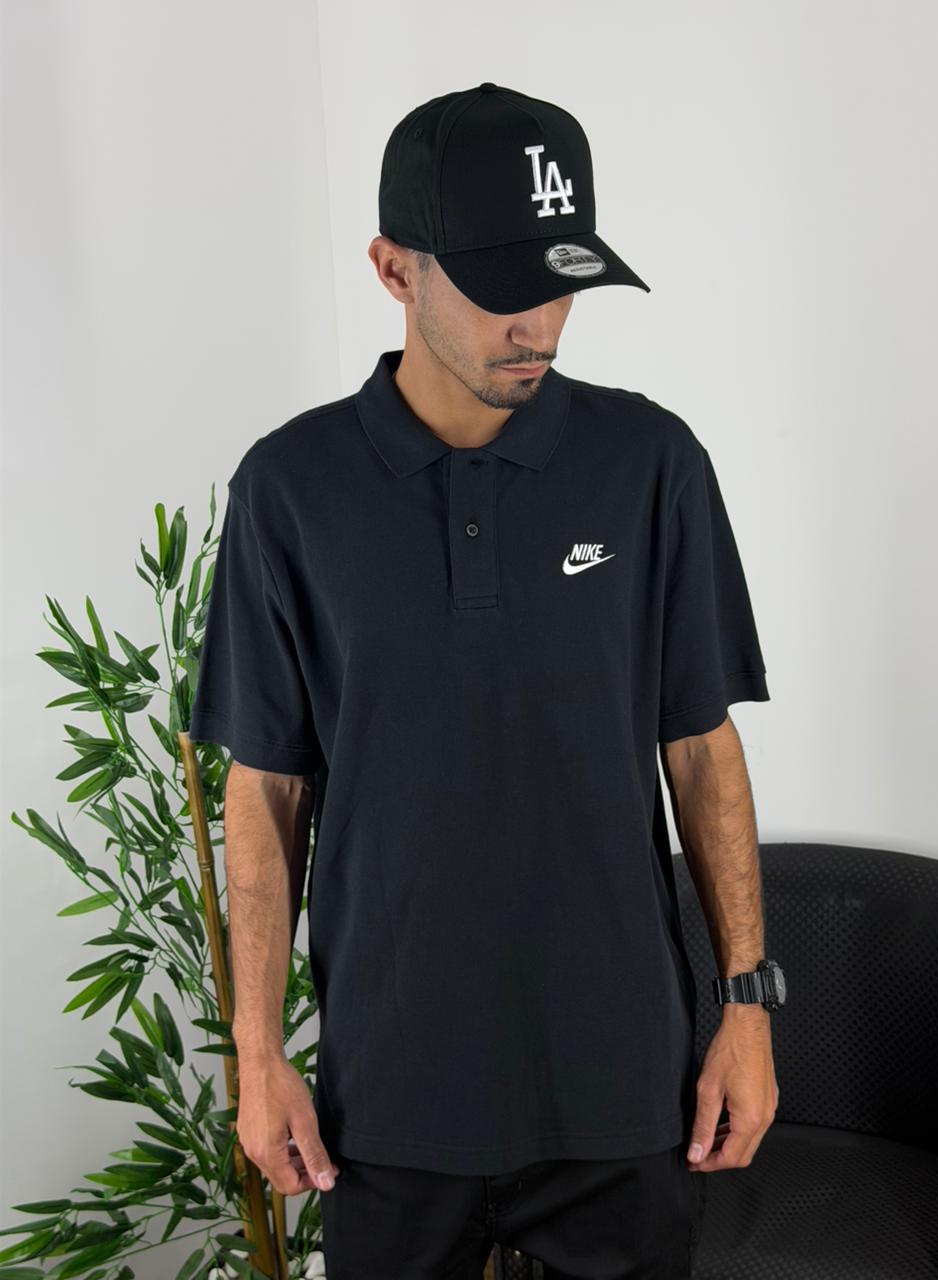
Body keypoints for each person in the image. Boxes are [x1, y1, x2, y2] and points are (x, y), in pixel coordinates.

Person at [189, 81, 780, 1280]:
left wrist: (748, 1003)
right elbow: (267, 788)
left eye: (561, 282)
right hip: (388, 1101)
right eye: (501, 287)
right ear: (393, 270)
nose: (540, 324)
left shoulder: (651, 463)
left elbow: (700, 744)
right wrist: (258, 1053)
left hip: (623, 1087)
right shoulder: (289, 490)